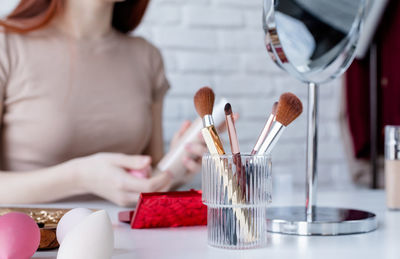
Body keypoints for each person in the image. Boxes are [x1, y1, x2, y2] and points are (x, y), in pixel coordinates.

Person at [0, 0, 208, 206]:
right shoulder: (7, 44)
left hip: (127, 237)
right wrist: (79, 178)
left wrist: (178, 166)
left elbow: (149, 179)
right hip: (35, 237)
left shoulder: (146, 57)